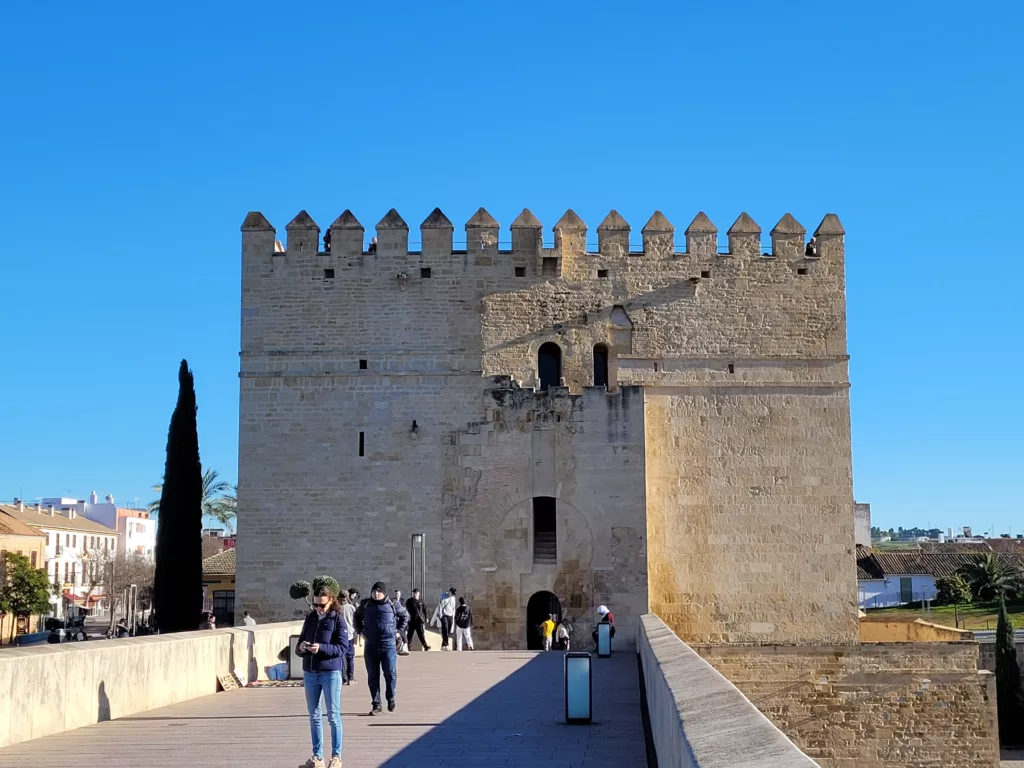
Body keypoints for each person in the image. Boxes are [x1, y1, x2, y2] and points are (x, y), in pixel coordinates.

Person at [295, 584, 348, 768]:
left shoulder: (337, 620)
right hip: (310, 672)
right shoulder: (310, 618)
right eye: (315, 605)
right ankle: (317, 757)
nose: (318, 608)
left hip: (330, 672)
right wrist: (301, 648)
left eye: (322, 605)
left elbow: (343, 648)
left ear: (331, 601)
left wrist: (321, 648)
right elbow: (300, 641)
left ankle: (336, 757)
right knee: (314, 716)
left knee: (333, 716)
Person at [354, 581, 409, 716]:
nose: (376, 594)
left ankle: (390, 696)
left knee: (390, 673)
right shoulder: (365, 604)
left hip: (388, 644)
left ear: (384, 593)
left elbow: (405, 616)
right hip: (371, 644)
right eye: (374, 591)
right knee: (373, 676)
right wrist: (360, 631)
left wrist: (398, 631)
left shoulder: (393, 604)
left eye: (379, 591)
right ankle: (376, 704)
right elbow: (356, 617)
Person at [341, 592, 357, 686]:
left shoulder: (338, 608)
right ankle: (350, 678)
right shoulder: (351, 607)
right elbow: (356, 620)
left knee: (342, 657)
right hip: (350, 634)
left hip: (340, 636)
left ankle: (343, 678)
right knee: (350, 657)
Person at [393, 590, 410, 656]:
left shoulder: (402, 601)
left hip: (401, 621)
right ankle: (398, 650)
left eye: (398, 594)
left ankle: (403, 649)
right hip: (395, 622)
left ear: (400, 594)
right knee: (398, 638)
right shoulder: (393, 601)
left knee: (402, 635)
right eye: (396, 594)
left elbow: (404, 611)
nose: (397, 595)